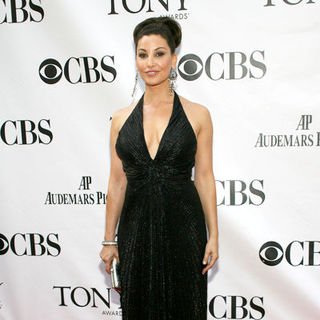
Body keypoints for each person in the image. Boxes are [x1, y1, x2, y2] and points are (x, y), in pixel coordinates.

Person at [100, 16, 218, 320]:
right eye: (142, 54)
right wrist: (109, 240)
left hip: (185, 228)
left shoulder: (198, 114)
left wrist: (214, 235)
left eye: (159, 53)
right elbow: (116, 183)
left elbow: (204, 176)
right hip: (135, 229)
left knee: (185, 306)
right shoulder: (120, 119)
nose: (150, 62)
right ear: (136, 59)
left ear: (174, 58)